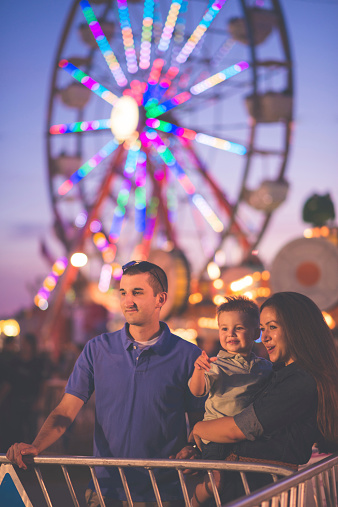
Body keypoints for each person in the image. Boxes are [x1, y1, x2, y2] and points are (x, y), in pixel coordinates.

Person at [7, 261, 205, 506]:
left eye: (137, 292)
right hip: (105, 490)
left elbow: (200, 420)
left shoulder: (188, 355)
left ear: (160, 299)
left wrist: (193, 450)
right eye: (123, 292)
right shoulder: (97, 349)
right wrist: (36, 446)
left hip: (162, 493)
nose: (127, 301)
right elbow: (66, 410)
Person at [192, 291, 338, 505]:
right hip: (248, 485)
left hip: (257, 489)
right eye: (262, 329)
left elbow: (239, 428)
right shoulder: (279, 373)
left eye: (273, 327)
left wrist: (198, 429)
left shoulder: (300, 380)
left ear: (296, 328)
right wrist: (197, 448)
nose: (265, 336)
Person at [189, 296, 272, 506]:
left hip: (243, 435)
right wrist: (199, 369)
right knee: (217, 482)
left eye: (238, 328)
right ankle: (194, 499)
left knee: (239, 487)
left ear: (256, 333)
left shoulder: (264, 367)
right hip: (215, 436)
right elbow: (197, 391)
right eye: (224, 328)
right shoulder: (216, 365)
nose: (230, 334)